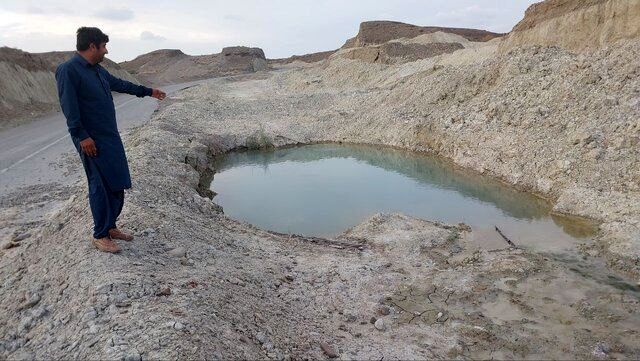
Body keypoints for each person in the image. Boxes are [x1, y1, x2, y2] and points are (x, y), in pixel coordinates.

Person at [55, 27, 166, 253]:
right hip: (90, 140)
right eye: (104, 46)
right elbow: (69, 107)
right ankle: (100, 234)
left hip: (109, 137)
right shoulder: (69, 70)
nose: (106, 50)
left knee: (117, 180)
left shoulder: (98, 70)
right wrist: (82, 136)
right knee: (100, 185)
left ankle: (111, 226)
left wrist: (148, 91)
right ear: (92, 46)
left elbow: (121, 84)